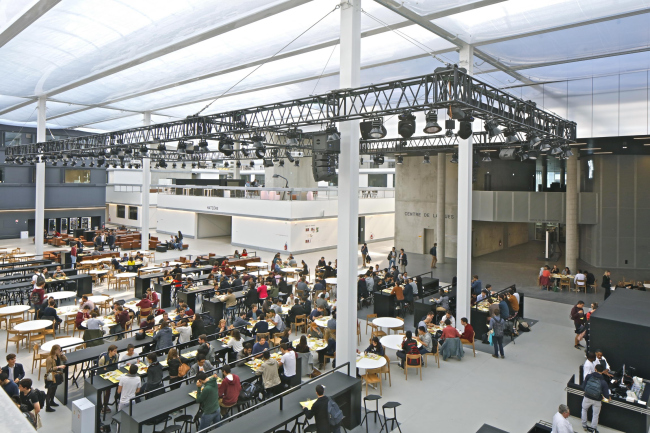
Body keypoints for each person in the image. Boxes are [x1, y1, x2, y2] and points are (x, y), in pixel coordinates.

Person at [582, 364, 610, 432]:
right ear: (602, 371)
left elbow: (583, 387)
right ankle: (593, 428)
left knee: (584, 410)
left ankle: (584, 425)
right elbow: (606, 395)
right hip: (597, 400)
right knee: (595, 414)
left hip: (587, 397)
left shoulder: (588, 376)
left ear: (595, 369)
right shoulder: (603, 382)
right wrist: (608, 398)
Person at [44, 344, 66, 412]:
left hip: (56, 376)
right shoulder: (49, 358)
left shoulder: (58, 356)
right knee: (49, 391)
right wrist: (59, 367)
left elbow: (65, 359)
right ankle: (47, 407)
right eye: (59, 350)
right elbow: (49, 369)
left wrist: (62, 354)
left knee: (54, 389)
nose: (60, 351)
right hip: (51, 377)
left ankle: (52, 401)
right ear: (55, 350)